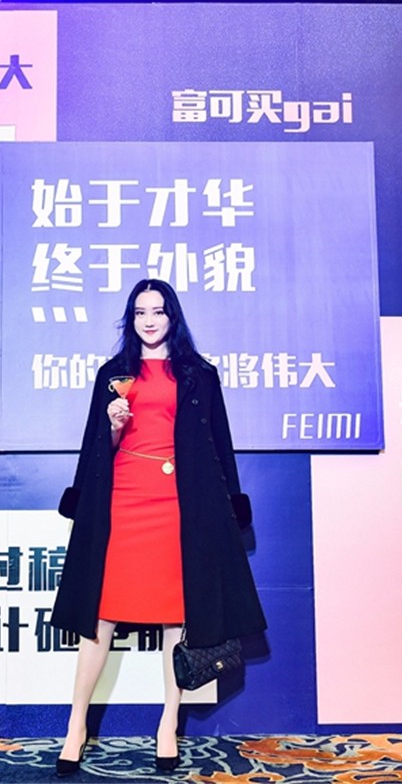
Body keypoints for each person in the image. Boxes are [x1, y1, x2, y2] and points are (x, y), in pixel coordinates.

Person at [51, 278, 266, 776]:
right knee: (100, 616)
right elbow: (94, 447)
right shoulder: (112, 373)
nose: (149, 320)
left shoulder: (199, 374)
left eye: (158, 311)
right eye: (140, 312)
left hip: (177, 504)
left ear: (173, 317)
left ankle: (168, 724)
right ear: (131, 319)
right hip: (123, 501)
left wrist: (230, 504)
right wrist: (112, 424)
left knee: (175, 617)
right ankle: (76, 725)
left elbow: (219, 446)